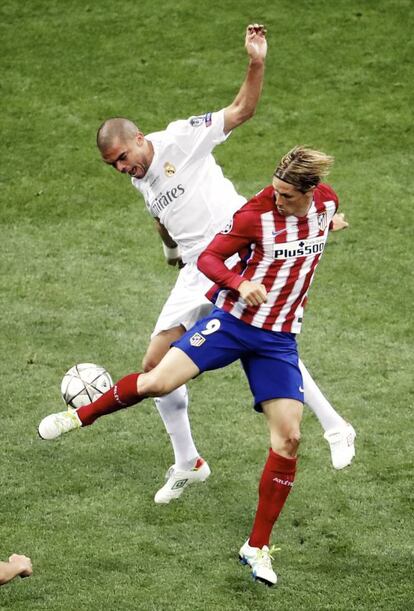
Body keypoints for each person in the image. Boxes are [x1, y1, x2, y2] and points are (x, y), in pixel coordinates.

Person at [39, 25, 355, 504]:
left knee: (268, 334)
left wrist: (256, 60)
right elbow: (163, 219)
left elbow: (242, 111)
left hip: (236, 250)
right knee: (154, 367)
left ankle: (334, 426)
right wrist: (169, 251)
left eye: (123, 157)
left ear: (140, 139)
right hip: (196, 267)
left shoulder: (181, 139)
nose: (122, 168)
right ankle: (189, 461)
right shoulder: (140, 176)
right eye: (114, 166)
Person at [38, 146, 349, 585]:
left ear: (310, 192)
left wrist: (332, 224)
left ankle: (256, 547)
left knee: (290, 438)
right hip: (233, 324)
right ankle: (80, 416)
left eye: (285, 195)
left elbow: (320, 223)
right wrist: (239, 283)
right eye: (274, 191)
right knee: (158, 381)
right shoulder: (254, 214)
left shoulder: (327, 202)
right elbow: (208, 259)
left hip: (278, 340)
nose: (276, 199)